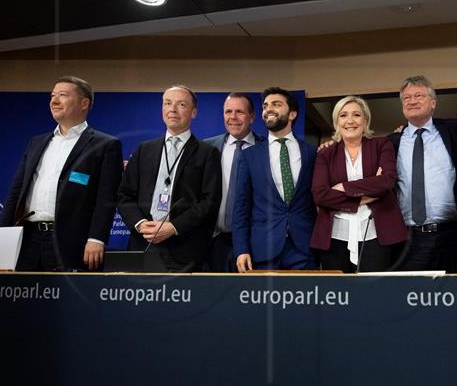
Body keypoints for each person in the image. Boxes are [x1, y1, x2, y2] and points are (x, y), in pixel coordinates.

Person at [0, 76, 123, 271]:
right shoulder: (37, 142)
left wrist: (96, 238)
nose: (54, 101)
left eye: (63, 95)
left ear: (84, 103)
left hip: (71, 241)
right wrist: (0, 237)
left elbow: (106, 198)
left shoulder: (105, 145)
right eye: (52, 96)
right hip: (27, 240)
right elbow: (16, 192)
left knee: (66, 300)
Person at [117, 85, 221, 272]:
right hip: (143, 245)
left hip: (184, 249)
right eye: (167, 103)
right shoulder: (144, 150)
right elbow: (125, 195)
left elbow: (210, 202)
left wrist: (173, 227)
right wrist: (140, 225)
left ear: (193, 112)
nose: (173, 109)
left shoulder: (207, 153)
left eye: (181, 104)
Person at [310, 96, 407, 272]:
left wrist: (343, 188)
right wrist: (367, 195)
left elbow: (386, 182)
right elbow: (320, 196)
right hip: (335, 236)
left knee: (373, 291)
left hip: (377, 233)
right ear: (336, 122)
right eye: (343, 115)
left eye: (356, 115)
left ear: (366, 120)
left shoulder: (381, 145)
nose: (350, 121)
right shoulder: (326, 153)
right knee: (339, 294)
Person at [233, 87, 318, 271]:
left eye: (276, 104)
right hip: (263, 248)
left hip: (303, 248)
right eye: (265, 106)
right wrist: (241, 249)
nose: (268, 109)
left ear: (293, 114)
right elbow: (241, 207)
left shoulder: (312, 153)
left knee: (305, 299)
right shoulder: (249, 156)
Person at [388, 75, 457, 272]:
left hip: (451, 235)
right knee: (411, 297)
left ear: (433, 102)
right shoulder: (391, 142)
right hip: (407, 238)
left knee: (452, 297)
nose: (412, 101)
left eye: (419, 96)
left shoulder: (455, 130)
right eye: (406, 98)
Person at [203, 93, 264, 272]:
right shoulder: (208, 148)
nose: (233, 117)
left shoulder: (266, 149)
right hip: (213, 242)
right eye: (228, 111)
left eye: (239, 112)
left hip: (252, 242)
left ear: (252, 116)